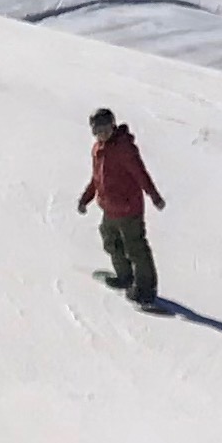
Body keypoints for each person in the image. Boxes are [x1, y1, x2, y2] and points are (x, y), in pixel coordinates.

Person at [76, 107, 166, 309]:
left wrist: (154, 196)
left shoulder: (124, 148)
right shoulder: (98, 149)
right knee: (110, 241)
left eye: (105, 129)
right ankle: (125, 277)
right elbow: (96, 178)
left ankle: (146, 290)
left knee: (136, 248)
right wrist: (85, 199)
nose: (101, 133)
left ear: (113, 125)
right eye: (97, 130)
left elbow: (140, 174)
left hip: (129, 209)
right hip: (109, 208)